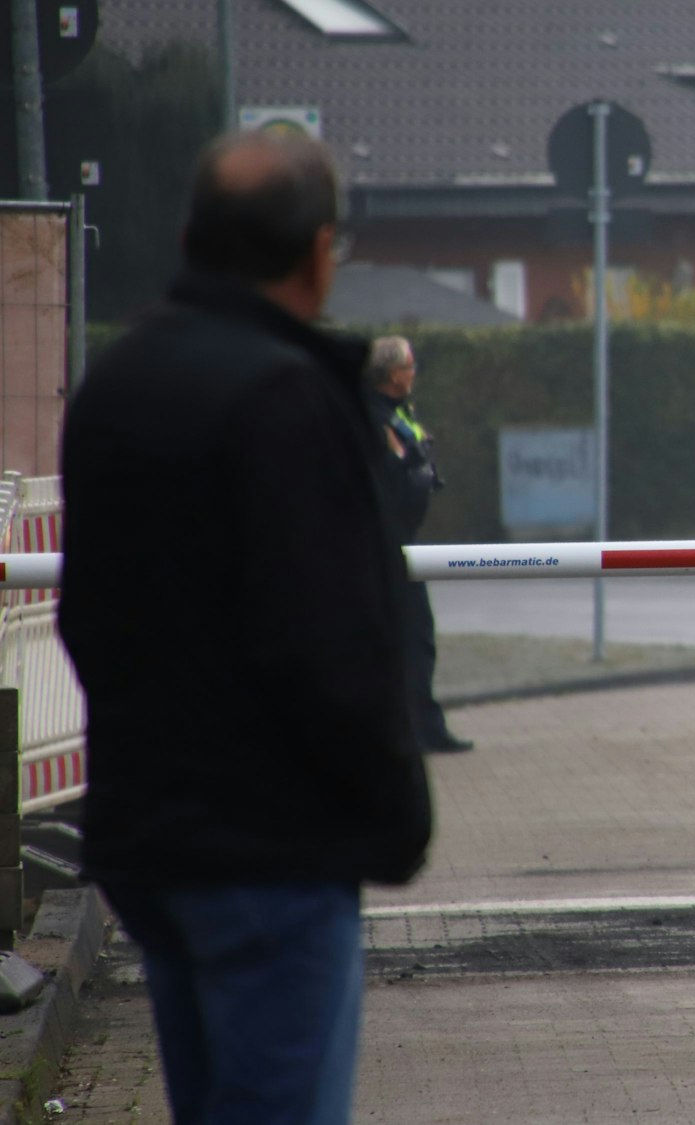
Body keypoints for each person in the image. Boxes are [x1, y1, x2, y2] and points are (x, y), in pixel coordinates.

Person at [57, 130, 433, 1124]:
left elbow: (87, 617)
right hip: (274, 849)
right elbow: (335, 641)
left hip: (149, 845)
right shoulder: (291, 398)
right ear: (319, 252)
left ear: (189, 237)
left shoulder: (115, 385)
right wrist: (397, 816)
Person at [365, 336, 473, 753]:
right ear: (393, 375)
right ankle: (415, 731)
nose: (414, 374)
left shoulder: (394, 413)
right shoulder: (374, 419)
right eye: (410, 367)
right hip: (385, 547)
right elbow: (387, 478)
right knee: (408, 639)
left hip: (400, 542)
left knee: (414, 638)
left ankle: (421, 728)